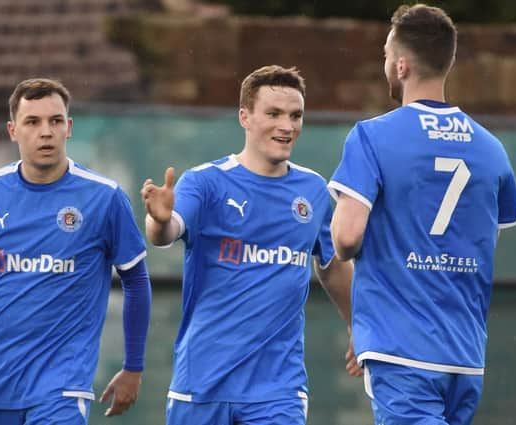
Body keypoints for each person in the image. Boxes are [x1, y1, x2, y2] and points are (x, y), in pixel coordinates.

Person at [0, 78, 152, 424]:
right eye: (33, 122)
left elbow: (136, 280)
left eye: (55, 121)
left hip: (62, 387)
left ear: (69, 128)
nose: (46, 132)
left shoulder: (105, 197)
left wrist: (133, 366)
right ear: (13, 130)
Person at [328, 4, 516, 424]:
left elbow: (344, 238)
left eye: (384, 56)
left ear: (400, 65)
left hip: (402, 347)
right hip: (465, 352)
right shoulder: (492, 149)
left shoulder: (372, 136)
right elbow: (487, 237)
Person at [141, 65, 357, 425]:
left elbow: (332, 265)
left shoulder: (314, 191)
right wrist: (160, 218)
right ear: (244, 116)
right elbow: (165, 232)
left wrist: (356, 325)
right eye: (273, 114)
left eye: (295, 115)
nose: (286, 126)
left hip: (278, 390)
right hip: (201, 383)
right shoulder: (206, 182)